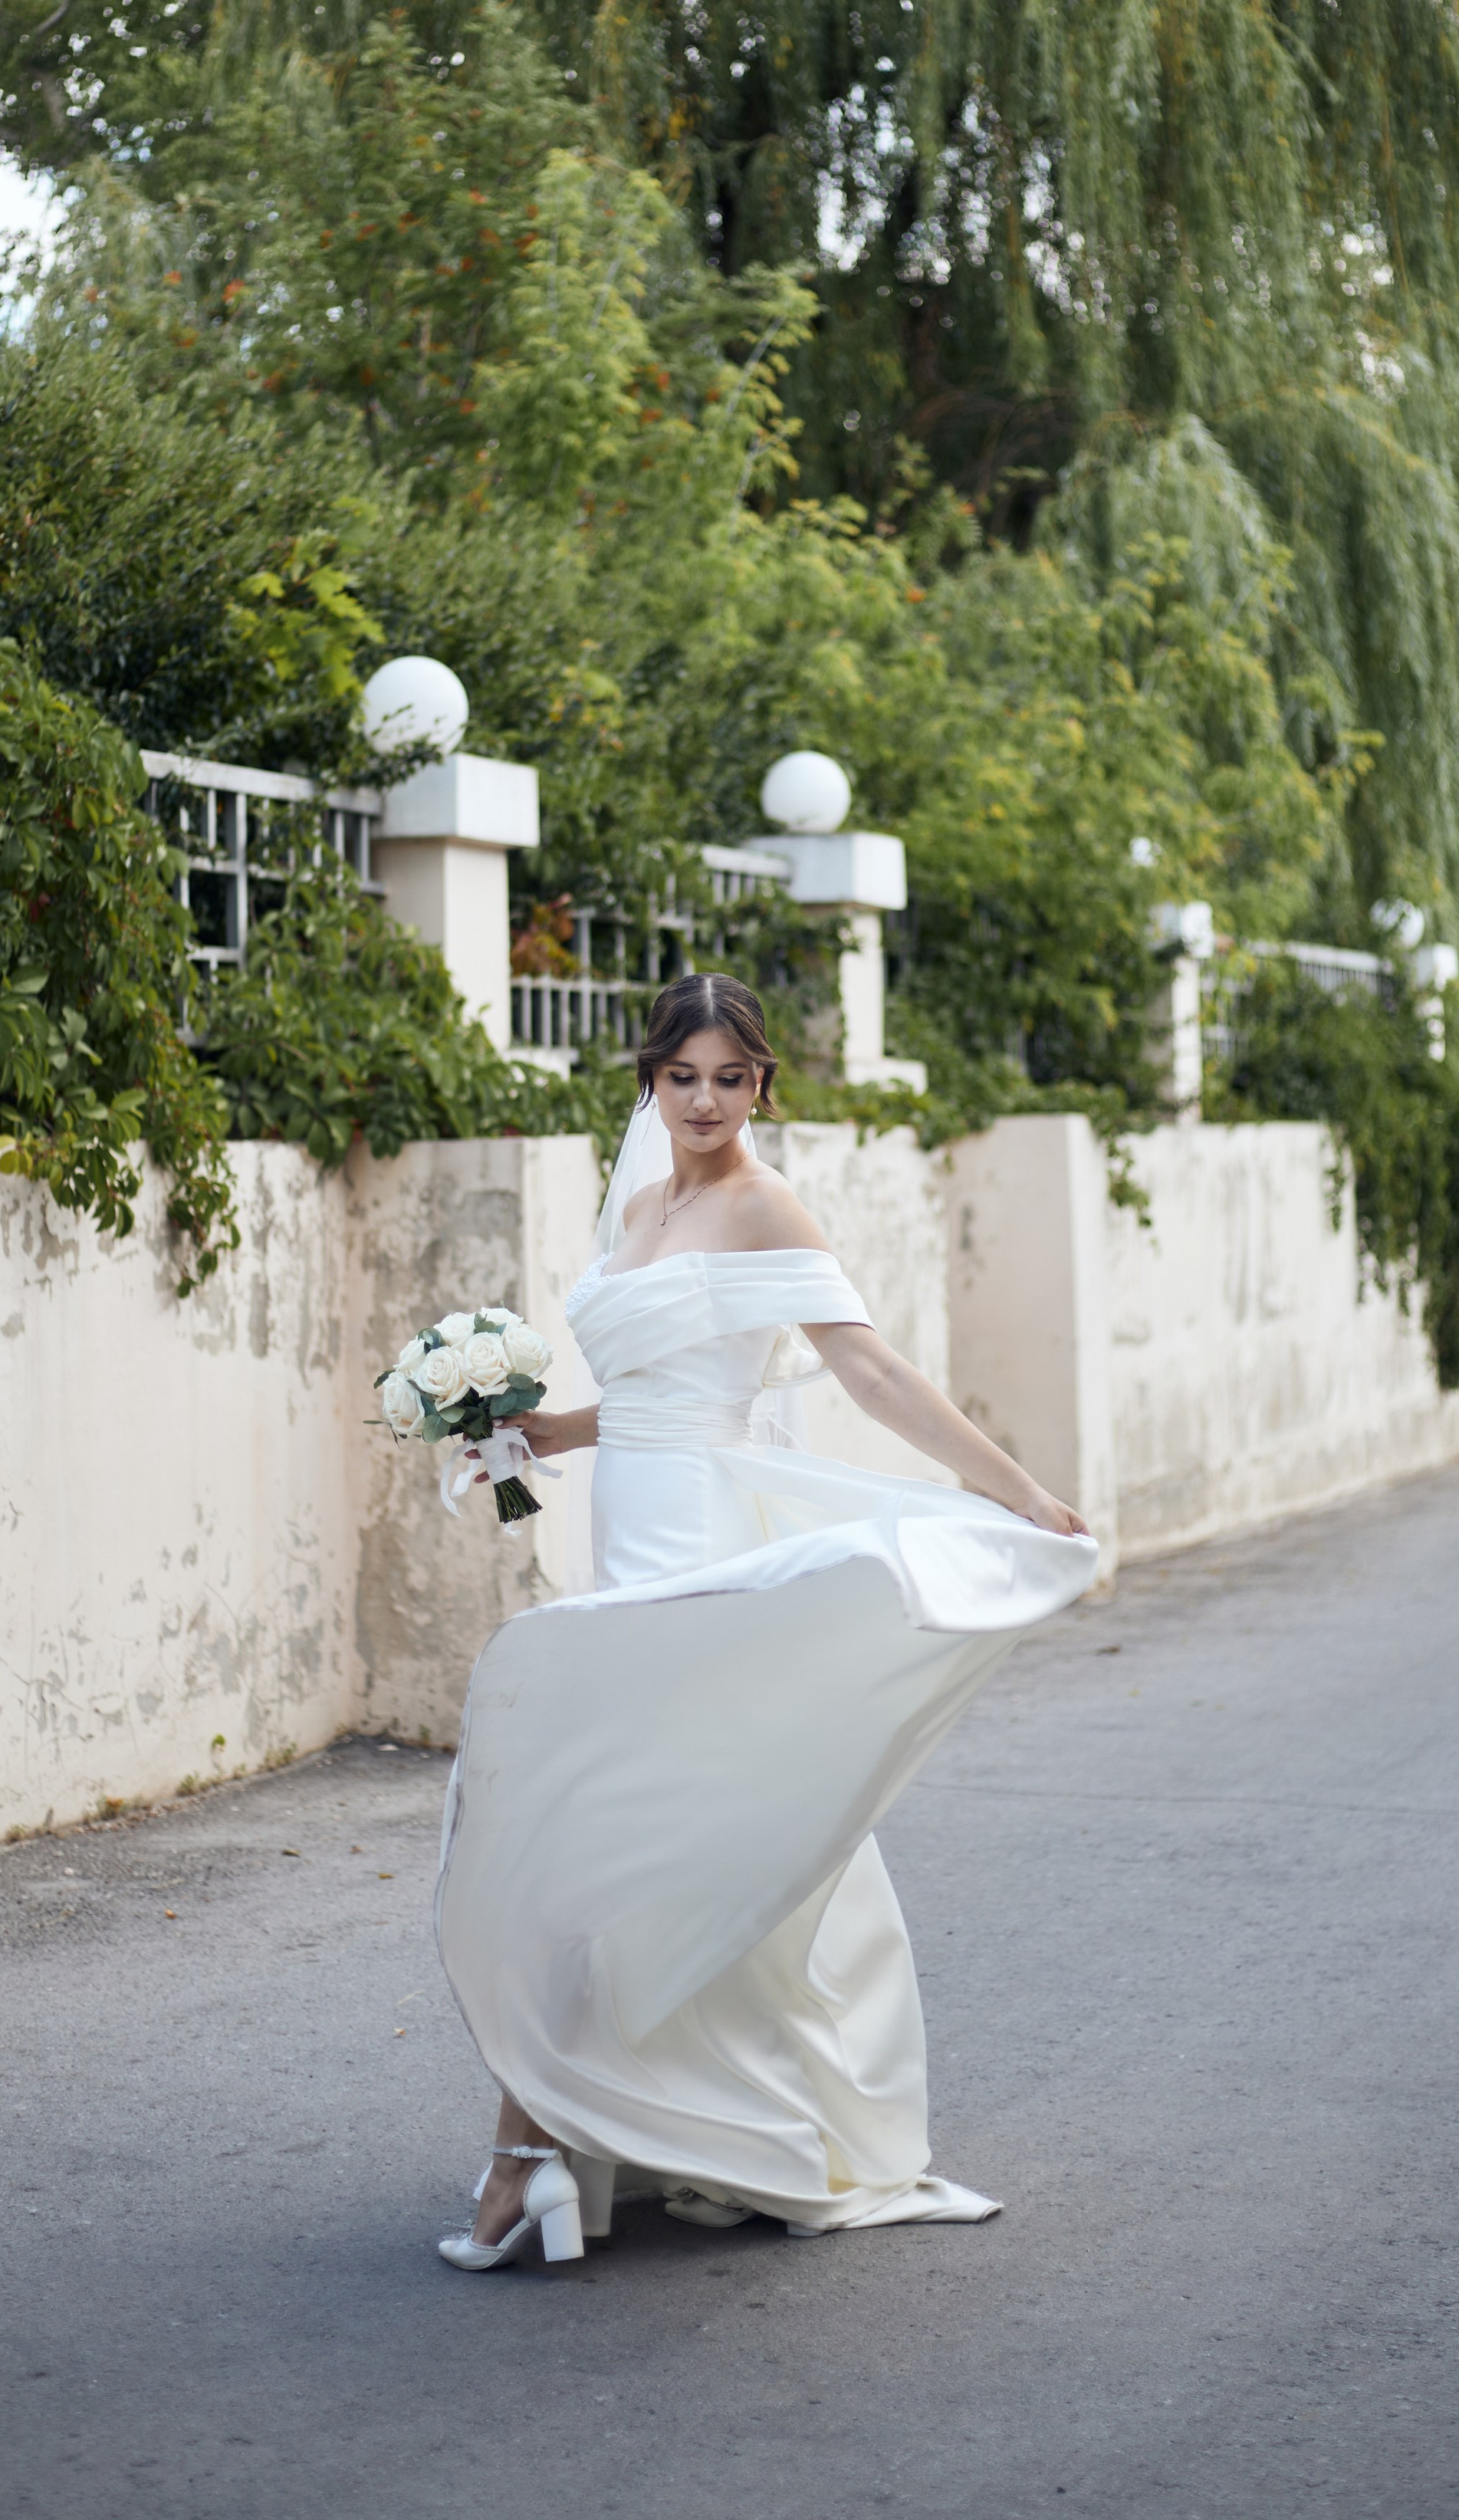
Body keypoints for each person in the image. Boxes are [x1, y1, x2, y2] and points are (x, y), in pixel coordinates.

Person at [434, 971, 1096, 2271]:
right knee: (639, 1830)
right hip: (627, 1534)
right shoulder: (642, 1207)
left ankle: (527, 2159)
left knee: (604, 1827)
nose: (705, 1102)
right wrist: (536, 1432)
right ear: (650, 1078)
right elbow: (647, 1394)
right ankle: (667, 2134)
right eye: (683, 1077)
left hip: (701, 1544)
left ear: (760, 1086)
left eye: (731, 1079)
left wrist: (1015, 1490)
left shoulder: (763, 1204)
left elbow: (869, 1367)